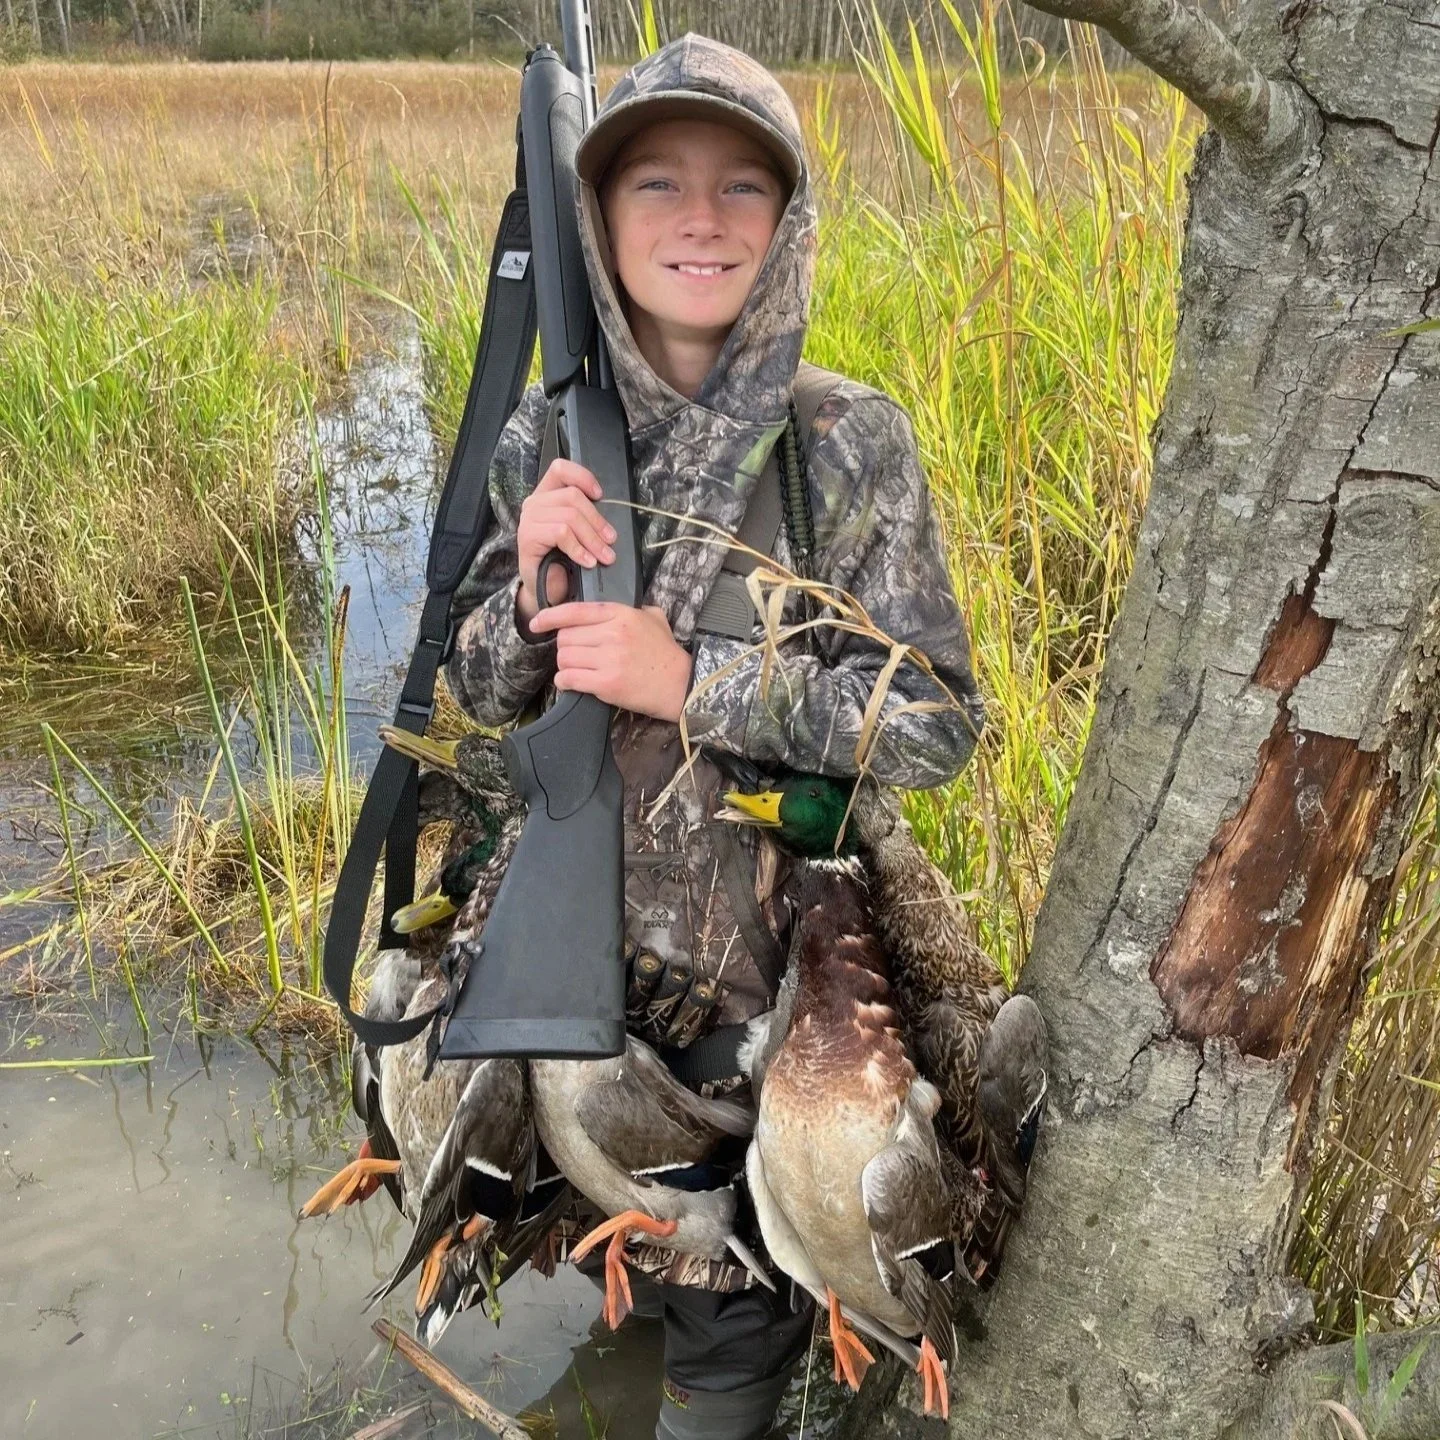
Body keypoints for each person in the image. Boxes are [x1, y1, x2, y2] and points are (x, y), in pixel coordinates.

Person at [445, 32, 985, 1440]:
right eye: (657, 186)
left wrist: (696, 679)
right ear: (596, 219)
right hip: (571, 971)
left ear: (789, 223)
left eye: (744, 187)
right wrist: (525, 597)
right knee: (610, 1240)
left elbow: (935, 726)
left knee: (732, 1328)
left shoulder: (849, 442)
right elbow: (480, 691)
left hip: (775, 996)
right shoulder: (544, 438)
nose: (700, 219)